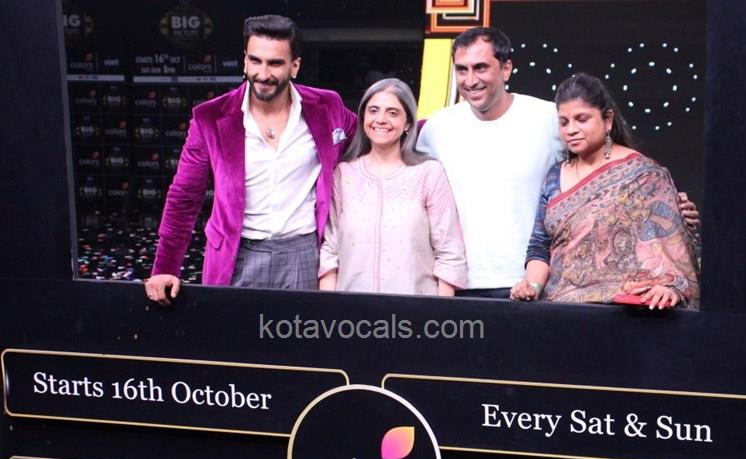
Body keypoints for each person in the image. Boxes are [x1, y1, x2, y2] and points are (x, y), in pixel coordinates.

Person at [417, 26, 700, 298]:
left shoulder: (550, 119)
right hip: (458, 284)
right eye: (461, 69)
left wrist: (667, 208)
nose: (470, 80)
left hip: (534, 286)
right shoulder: (436, 129)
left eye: (480, 67)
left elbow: (607, 180)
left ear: (506, 69)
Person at [145, 15, 356, 305]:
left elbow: (374, 134)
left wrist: (420, 129)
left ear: (295, 66)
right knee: (232, 334)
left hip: (304, 255)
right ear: (244, 60)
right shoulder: (209, 117)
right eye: (255, 61)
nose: (263, 73)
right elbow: (184, 197)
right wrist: (165, 267)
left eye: (275, 63)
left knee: (300, 335)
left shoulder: (328, 106)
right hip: (236, 256)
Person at [510, 73, 699, 309]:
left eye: (582, 119)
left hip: (626, 312)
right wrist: (532, 286)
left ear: (608, 120)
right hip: (561, 311)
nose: (571, 129)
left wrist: (667, 285)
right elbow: (540, 246)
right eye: (564, 122)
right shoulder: (554, 176)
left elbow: (669, 246)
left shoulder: (644, 176)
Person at [318, 79, 466, 295]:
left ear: (408, 124)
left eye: (393, 113)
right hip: (351, 308)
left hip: (415, 308)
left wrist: (441, 310)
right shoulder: (344, 174)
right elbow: (330, 250)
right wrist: (328, 305)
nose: (381, 119)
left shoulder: (428, 174)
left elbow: (449, 251)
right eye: (373, 110)